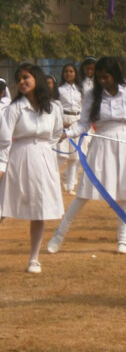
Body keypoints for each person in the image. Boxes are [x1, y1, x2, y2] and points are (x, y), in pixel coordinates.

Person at [46, 57, 126, 255]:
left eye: (106, 77)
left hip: (124, 144)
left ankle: (123, 239)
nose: (102, 80)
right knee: (84, 192)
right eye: (99, 77)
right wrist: (67, 133)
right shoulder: (93, 95)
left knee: (125, 192)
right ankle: (59, 235)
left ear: (115, 75)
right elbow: (84, 123)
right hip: (101, 143)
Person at [0, 64, 64, 273]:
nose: (21, 82)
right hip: (18, 158)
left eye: (25, 77)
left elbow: (56, 133)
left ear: (36, 78)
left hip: (43, 160)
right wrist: (1, 165)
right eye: (18, 79)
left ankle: (34, 259)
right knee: (3, 207)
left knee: (39, 209)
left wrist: (44, 150)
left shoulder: (53, 108)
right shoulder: (13, 108)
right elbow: (4, 140)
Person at [56, 63, 83, 195]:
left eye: (71, 71)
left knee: (74, 157)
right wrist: (61, 122)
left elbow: (82, 106)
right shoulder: (59, 90)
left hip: (77, 123)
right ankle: (52, 182)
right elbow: (56, 107)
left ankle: (70, 186)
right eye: (66, 71)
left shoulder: (80, 90)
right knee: (61, 156)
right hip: (64, 122)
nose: (68, 74)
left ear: (75, 73)